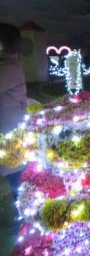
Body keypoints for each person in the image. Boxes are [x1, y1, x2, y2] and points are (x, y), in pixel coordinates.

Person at [0, 22, 27, 198]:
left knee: (16, 176)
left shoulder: (9, 67)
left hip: (9, 132)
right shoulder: (8, 64)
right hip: (9, 130)